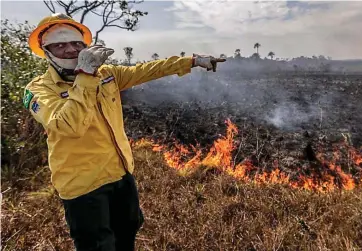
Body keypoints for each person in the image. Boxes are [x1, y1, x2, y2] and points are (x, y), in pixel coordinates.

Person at [24, 13, 225, 251]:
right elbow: (68, 125)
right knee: (98, 246)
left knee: (127, 235)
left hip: (120, 175)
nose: (70, 50)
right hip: (83, 186)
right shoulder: (39, 90)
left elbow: (148, 69)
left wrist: (191, 61)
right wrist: (85, 76)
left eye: (76, 44)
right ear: (46, 51)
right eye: (60, 45)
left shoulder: (107, 74)